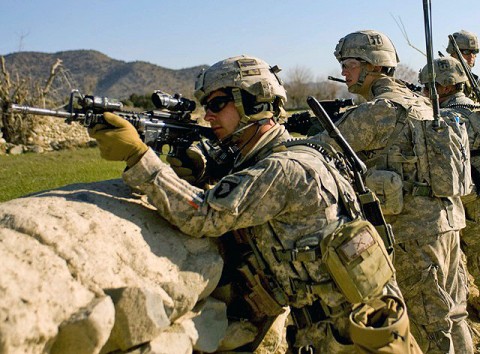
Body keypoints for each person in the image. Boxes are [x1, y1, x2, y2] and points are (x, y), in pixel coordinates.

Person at [88, 54, 418, 353]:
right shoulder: (304, 152)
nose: (209, 115)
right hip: (360, 324)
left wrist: (139, 157)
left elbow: (202, 214)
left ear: (253, 102)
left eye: (217, 104)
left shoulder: (282, 170)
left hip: (348, 337)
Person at [314, 30, 473, 354]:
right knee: (454, 315)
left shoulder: (379, 111)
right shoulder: (422, 102)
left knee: (427, 324)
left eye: (349, 64)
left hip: (413, 236)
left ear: (372, 66)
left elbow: (318, 154)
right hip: (447, 224)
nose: (344, 71)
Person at [419, 56, 480, 312]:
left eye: (426, 86)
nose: (422, 91)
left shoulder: (444, 117)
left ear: (444, 87)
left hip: (465, 199)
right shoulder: (476, 109)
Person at [446, 30, 479, 101]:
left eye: (474, 52)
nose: (472, 56)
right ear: (453, 53)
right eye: (466, 52)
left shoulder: (474, 80)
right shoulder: (443, 77)